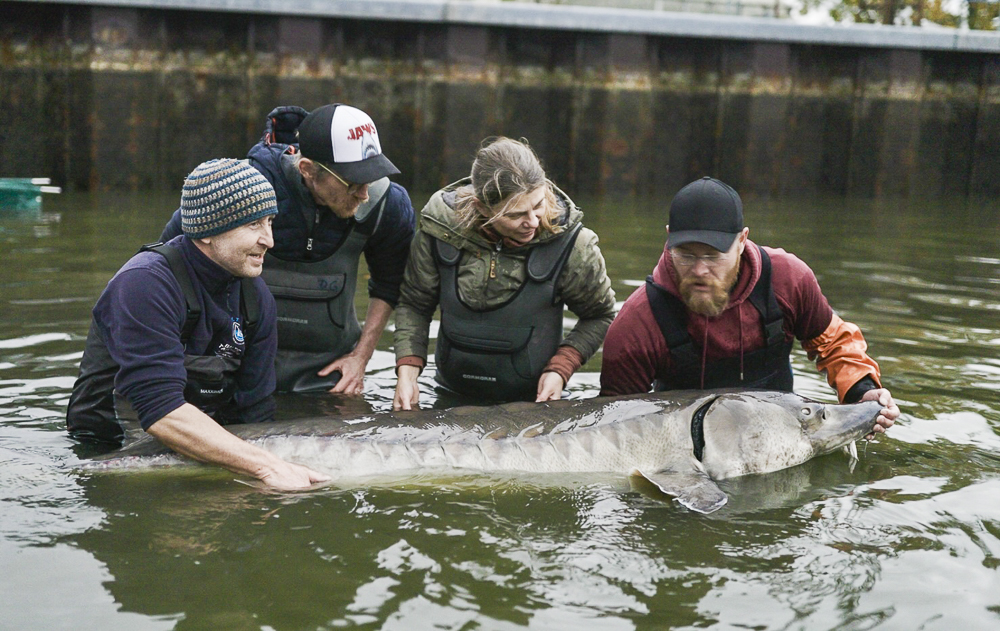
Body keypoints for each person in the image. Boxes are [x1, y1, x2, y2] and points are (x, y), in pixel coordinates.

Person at [67, 159, 329, 489]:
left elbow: (257, 413)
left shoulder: (256, 296)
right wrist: (267, 466)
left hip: (204, 448)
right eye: (253, 226)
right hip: (108, 453)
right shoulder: (144, 283)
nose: (270, 240)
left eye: (270, 222)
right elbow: (161, 411)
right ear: (207, 233)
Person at [600, 176, 899, 435]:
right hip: (688, 458)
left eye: (713, 255)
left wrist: (862, 391)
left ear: (742, 241)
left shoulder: (788, 280)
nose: (700, 270)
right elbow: (612, 426)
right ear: (668, 239)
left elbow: (834, 343)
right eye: (686, 255)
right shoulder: (638, 323)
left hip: (783, 434)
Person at [160, 104, 416, 394]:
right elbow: (164, 268)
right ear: (307, 169)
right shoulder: (236, 190)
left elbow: (390, 285)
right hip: (231, 368)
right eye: (353, 182)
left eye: (371, 177)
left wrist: (361, 357)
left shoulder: (387, 204)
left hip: (329, 376)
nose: (364, 193)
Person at [393, 137, 616, 410]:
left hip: (534, 400)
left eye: (538, 205)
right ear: (481, 207)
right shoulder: (439, 231)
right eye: (516, 215)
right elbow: (415, 304)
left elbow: (601, 315)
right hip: (448, 393)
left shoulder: (574, 245)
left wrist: (560, 368)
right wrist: (407, 372)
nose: (532, 222)